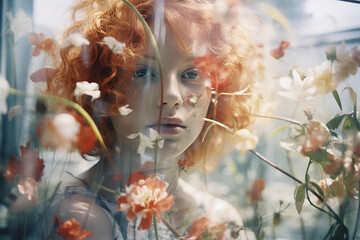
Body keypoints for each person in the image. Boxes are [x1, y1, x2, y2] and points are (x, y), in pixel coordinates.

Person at [38, 0, 264, 239]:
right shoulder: (78, 219)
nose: (172, 96)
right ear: (102, 86)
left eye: (192, 74)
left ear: (217, 92)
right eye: (143, 72)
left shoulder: (221, 220)